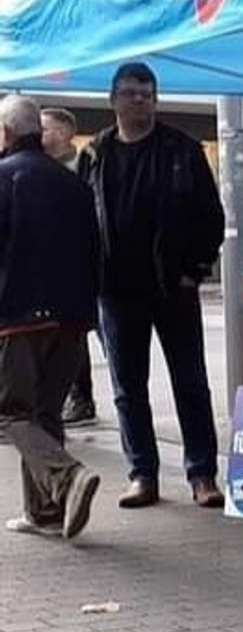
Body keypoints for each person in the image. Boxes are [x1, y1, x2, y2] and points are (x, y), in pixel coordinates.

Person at [84, 62, 227, 510]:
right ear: (114, 101)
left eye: (148, 93)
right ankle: (142, 473)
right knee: (128, 387)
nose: (140, 100)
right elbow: (81, 219)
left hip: (173, 288)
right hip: (116, 290)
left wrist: (195, 269)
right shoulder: (94, 155)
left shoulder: (182, 150)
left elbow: (211, 216)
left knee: (191, 382)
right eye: (131, 93)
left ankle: (202, 474)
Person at [0, 95, 102, 542]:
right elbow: (96, 249)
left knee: (11, 413)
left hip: (18, 317)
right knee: (44, 413)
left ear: (5, 132)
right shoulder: (73, 183)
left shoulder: (4, 178)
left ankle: (66, 477)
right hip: (72, 318)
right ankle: (43, 512)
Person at [40, 108, 98, 428]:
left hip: (81, 269)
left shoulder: (81, 168)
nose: (39, 134)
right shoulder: (43, 167)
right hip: (58, 270)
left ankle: (81, 398)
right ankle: (74, 398)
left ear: (63, 134)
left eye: (45, 128)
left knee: (81, 336)